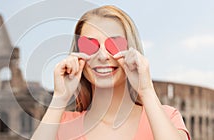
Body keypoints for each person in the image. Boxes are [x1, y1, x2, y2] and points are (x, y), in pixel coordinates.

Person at [31, 5, 190, 140]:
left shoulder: (166, 117)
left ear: (132, 52)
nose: (102, 56)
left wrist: (146, 90)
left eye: (114, 45)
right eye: (89, 46)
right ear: (78, 55)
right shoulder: (61, 125)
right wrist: (59, 98)